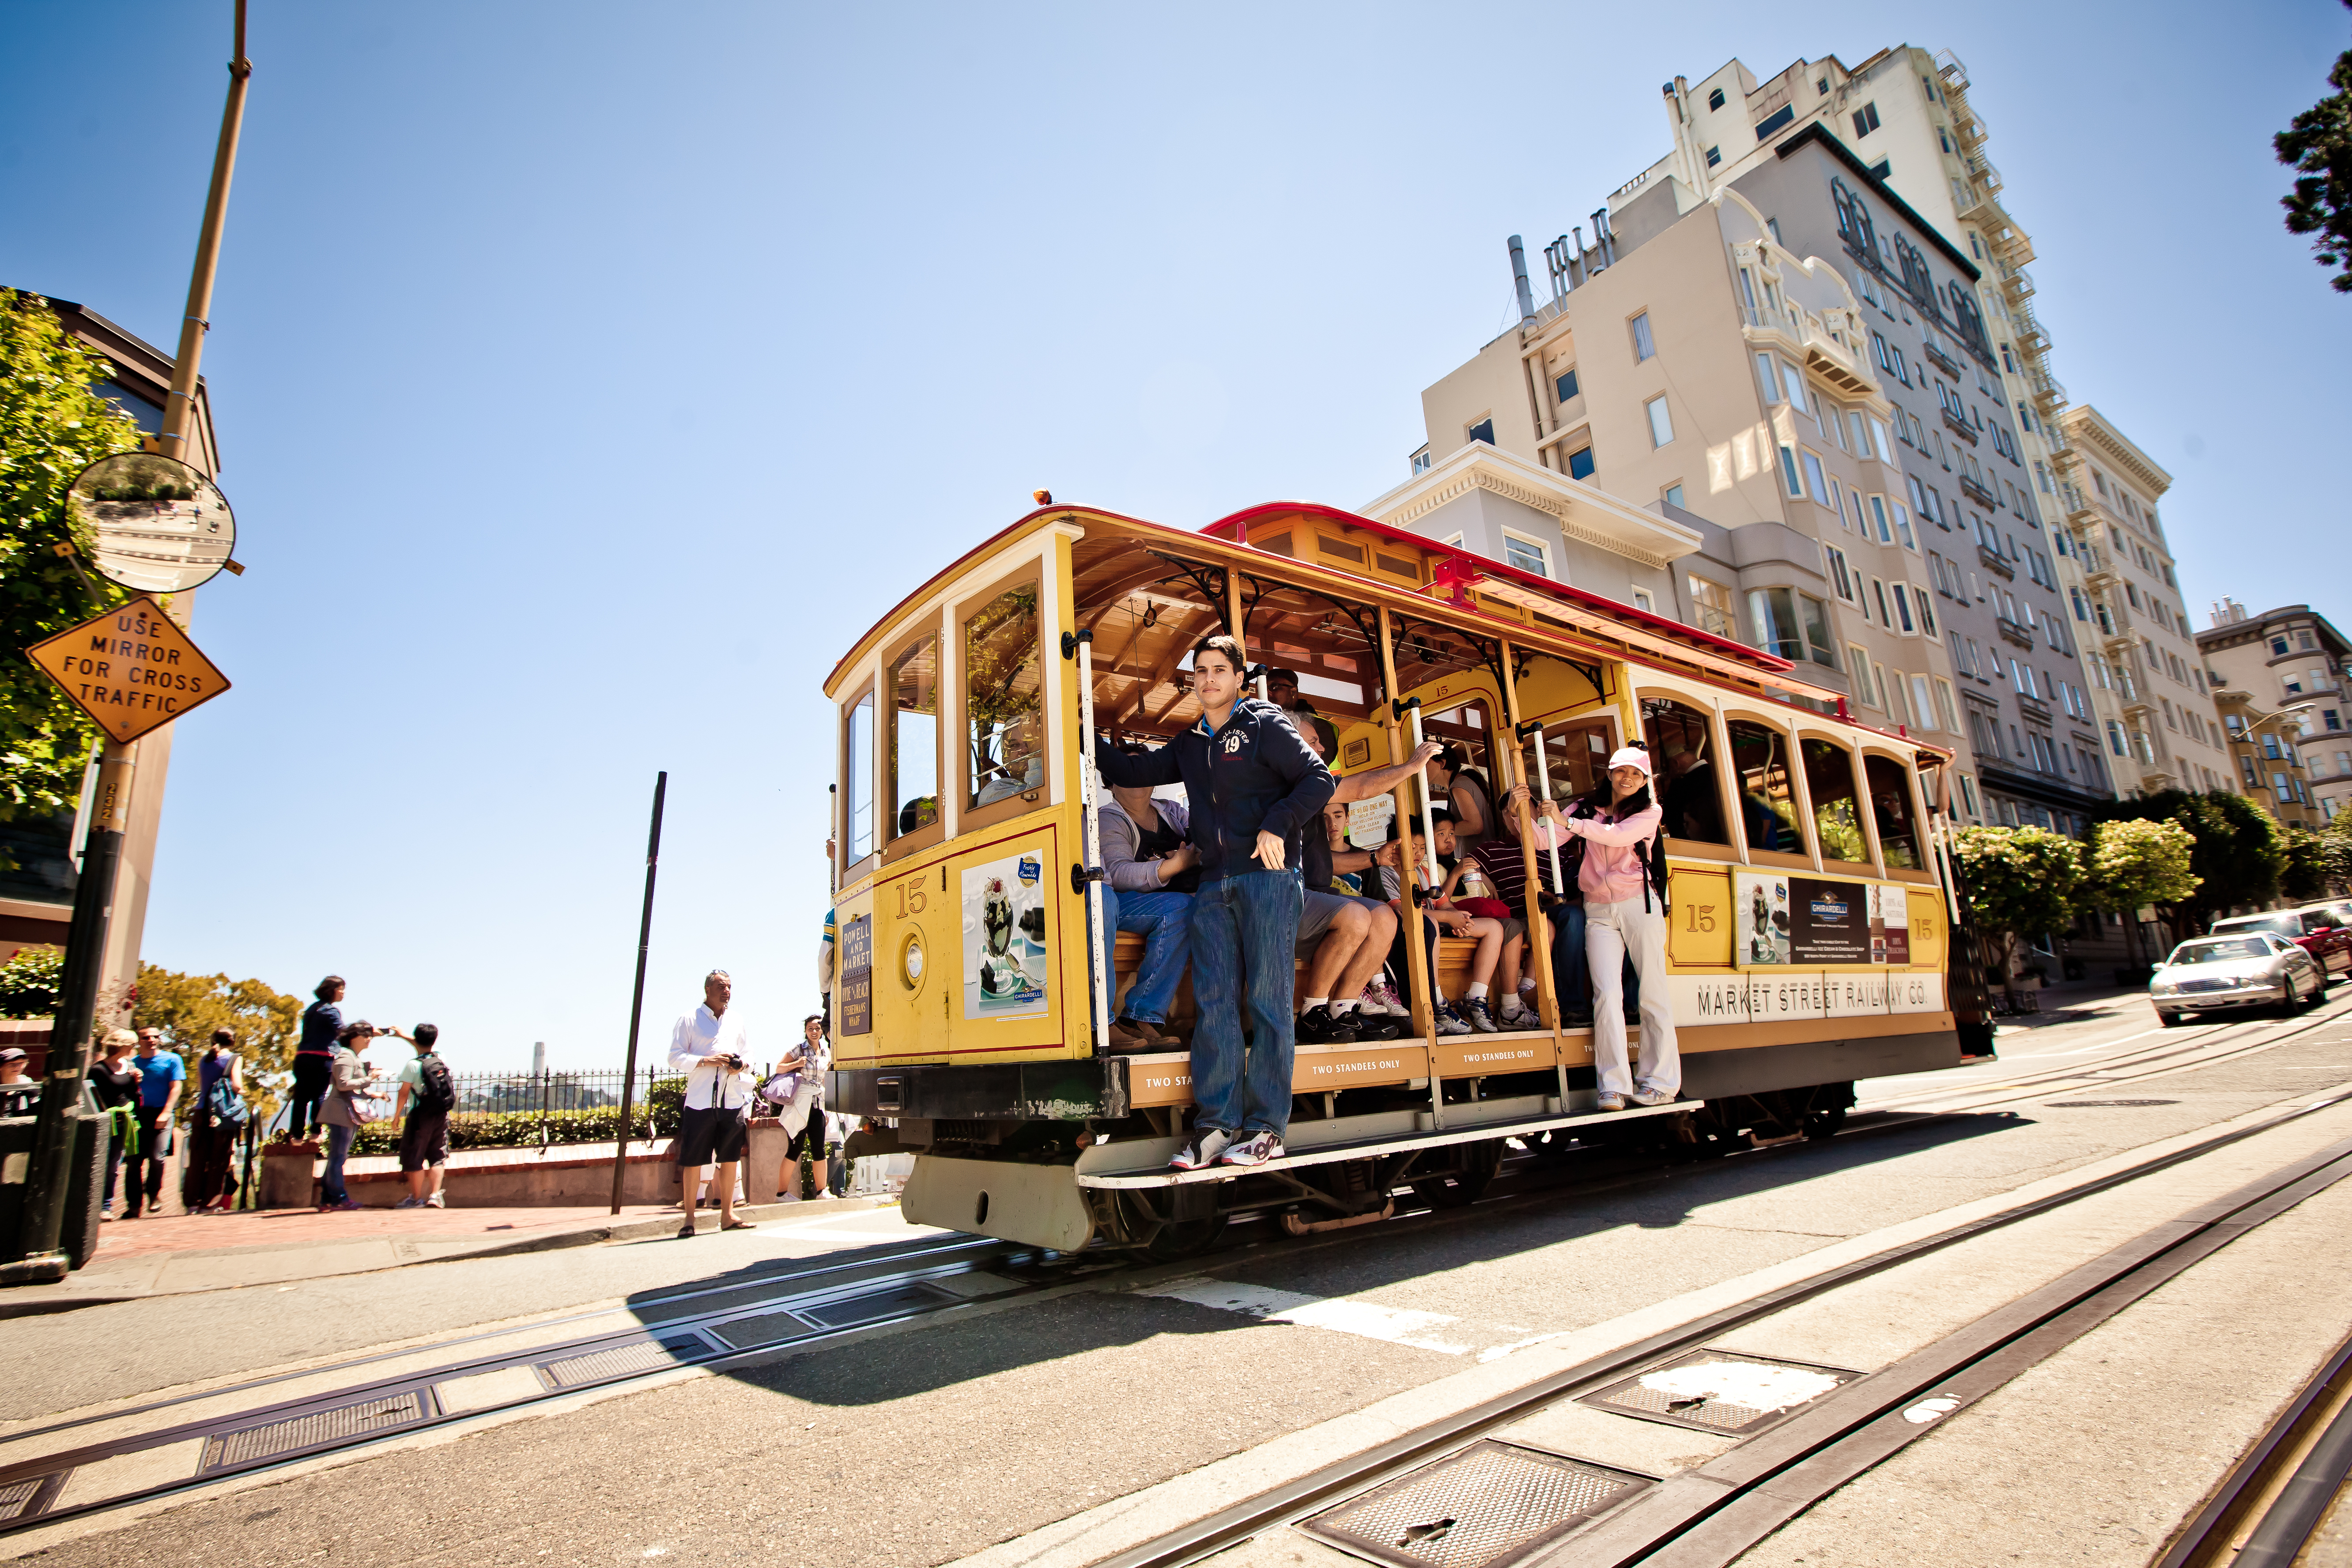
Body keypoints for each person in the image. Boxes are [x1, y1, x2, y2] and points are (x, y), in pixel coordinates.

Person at [1095, 634, 1333, 1170]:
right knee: (1215, 1007)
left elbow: (1317, 779)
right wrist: (1080, 727)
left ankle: (1266, 1128)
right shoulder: (1190, 743)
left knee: (1268, 1003)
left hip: (1267, 879)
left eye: (1219, 669)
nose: (1208, 679)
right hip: (1212, 887)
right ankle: (1215, 1126)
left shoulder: (1264, 722)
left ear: (1238, 678)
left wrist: (1276, 824)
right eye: (1200, 670)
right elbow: (1131, 773)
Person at [1528, 747, 1679, 1111]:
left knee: (1652, 994)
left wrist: (1568, 824)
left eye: (1636, 774)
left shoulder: (1649, 811)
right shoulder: (1585, 808)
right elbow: (1543, 841)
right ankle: (1613, 1086)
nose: (1628, 778)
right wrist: (1523, 812)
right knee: (1606, 995)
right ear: (1609, 773)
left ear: (1644, 781)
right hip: (1598, 909)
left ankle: (1660, 1082)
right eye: (1621, 771)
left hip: (1639, 904)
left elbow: (1617, 836)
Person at [1293, 738, 1442, 1045]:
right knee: (1356, 915)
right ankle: (1312, 1012)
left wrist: (1375, 858)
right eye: (1313, 741)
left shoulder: (1310, 799)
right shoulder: (1297, 784)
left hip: (1315, 895)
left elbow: (1322, 865)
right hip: (1286, 894)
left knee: (1384, 916)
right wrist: (1412, 766)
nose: (1321, 748)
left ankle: (1342, 1007)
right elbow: (1361, 788)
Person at [1094, 769, 1200, 1052]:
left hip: (1175, 898)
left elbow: (1204, 838)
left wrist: (1190, 854)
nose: (1136, 777)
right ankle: (1101, 1022)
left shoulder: (1172, 811)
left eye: (1142, 768)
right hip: (1121, 901)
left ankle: (1142, 1015)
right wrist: (1176, 864)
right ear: (1110, 784)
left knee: (1185, 908)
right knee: (1103, 900)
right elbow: (1117, 874)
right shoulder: (1108, 818)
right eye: (1125, 770)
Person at [668, 969, 756, 1236]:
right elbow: (674, 1057)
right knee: (693, 1161)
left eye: (729, 987)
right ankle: (689, 1220)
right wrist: (707, 1061)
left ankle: (727, 1216)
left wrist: (740, 1066)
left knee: (730, 1159)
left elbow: (749, 1054)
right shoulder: (689, 1020)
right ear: (708, 990)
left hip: (731, 1102)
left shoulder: (737, 1020)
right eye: (721, 987)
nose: (726, 991)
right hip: (700, 1103)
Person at [317, 1022, 380, 1211]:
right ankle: (339, 1199)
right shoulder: (346, 1057)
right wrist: (370, 1079)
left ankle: (328, 1199)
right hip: (341, 1113)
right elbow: (344, 1084)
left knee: (337, 1157)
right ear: (354, 1037)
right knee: (338, 1157)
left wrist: (373, 1093)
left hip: (346, 1113)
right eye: (366, 1035)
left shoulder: (351, 1057)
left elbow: (350, 1088)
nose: (369, 1039)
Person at [390, 1024, 455, 1209]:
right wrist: (403, 1036)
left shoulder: (412, 1065)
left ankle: (416, 1199)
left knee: (414, 1156)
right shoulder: (439, 1057)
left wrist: (397, 1116)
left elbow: (404, 1093)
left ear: (416, 1038)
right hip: (441, 1114)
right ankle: (435, 1196)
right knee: (437, 1156)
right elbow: (423, 1046)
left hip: (420, 1115)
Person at [122, 1026, 183, 1218]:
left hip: (162, 1113)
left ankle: (154, 1194)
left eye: (156, 1036)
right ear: (138, 1041)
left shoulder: (172, 1059)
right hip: (138, 1115)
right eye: (146, 1037)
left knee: (158, 1157)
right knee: (134, 1162)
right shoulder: (132, 1064)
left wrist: (166, 1112)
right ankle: (134, 1206)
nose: (152, 1040)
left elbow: (176, 1088)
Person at [186, 1029, 247, 1213]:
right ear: (232, 1041)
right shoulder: (234, 1058)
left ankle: (192, 1202)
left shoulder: (204, 1059)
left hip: (201, 1111)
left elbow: (202, 1086)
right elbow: (237, 1085)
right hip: (222, 1114)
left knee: (198, 1157)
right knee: (219, 1159)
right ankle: (209, 1203)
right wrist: (242, 1093)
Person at [776, 1015, 831, 1200]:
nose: (814, 1032)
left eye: (817, 1028)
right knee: (795, 1148)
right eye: (810, 1029)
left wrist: (827, 1110)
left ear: (822, 1031)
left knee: (819, 1148)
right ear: (805, 1031)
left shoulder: (826, 1052)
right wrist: (796, 1064)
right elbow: (779, 1068)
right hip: (799, 1104)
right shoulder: (799, 1049)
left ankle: (822, 1192)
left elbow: (825, 1080)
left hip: (817, 1104)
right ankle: (781, 1194)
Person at [87, 1031, 139, 1220]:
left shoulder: (130, 1066)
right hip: (105, 1121)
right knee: (99, 1163)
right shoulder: (98, 1070)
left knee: (114, 1166)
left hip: (124, 1121)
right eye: (131, 1044)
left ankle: (106, 1206)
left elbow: (133, 1094)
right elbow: (93, 1096)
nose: (134, 1048)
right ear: (121, 1045)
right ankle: (93, 1204)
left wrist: (137, 1082)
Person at [291, 975, 345, 1140]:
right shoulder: (331, 1011)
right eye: (341, 989)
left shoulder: (312, 1009)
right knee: (319, 1096)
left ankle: (297, 1136)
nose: (343, 993)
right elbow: (342, 1031)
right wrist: (366, 1031)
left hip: (302, 1057)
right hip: (322, 1058)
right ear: (333, 991)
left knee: (301, 1098)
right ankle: (316, 1133)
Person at [1265, 668, 1339, 759]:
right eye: (1263, 688)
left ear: (1293, 692)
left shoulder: (1318, 727)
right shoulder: (1272, 723)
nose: (1268, 692)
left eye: (1274, 687)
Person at [0, 1046, 34, 1116]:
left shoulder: (27, 1084)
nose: (17, 1067)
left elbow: (35, 1111)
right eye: (11, 1064)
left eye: (21, 1063)